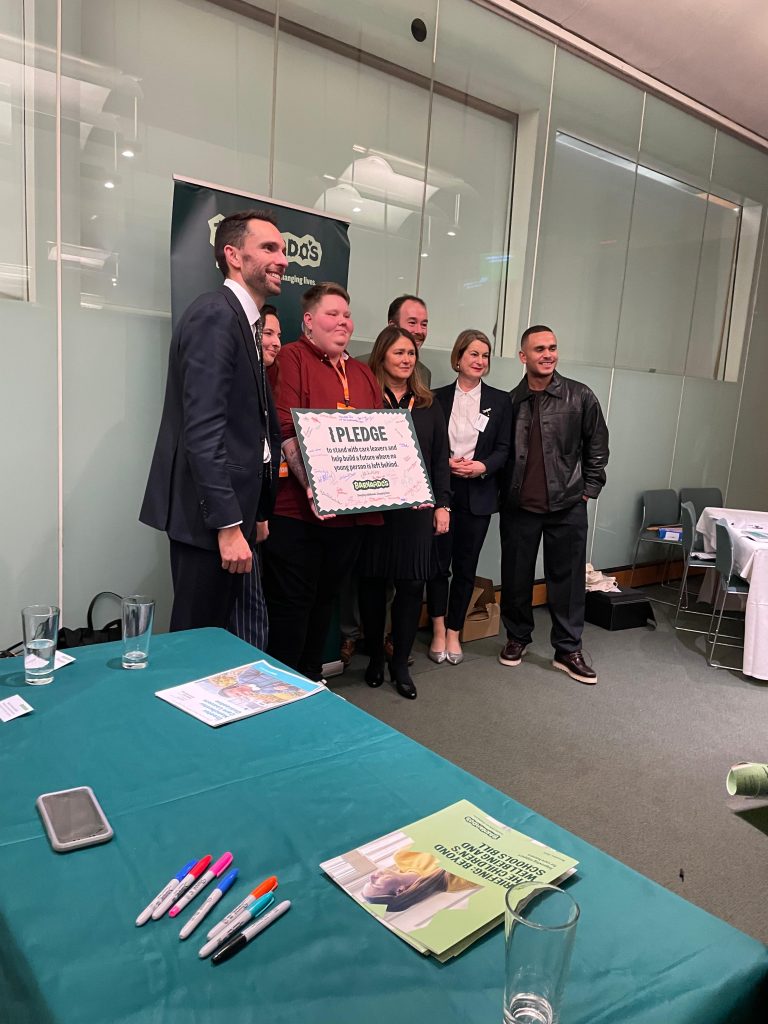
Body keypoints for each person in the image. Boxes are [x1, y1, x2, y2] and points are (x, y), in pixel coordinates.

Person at [139, 210, 285, 631]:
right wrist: (226, 525)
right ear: (233, 255)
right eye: (269, 248)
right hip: (210, 520)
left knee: (221, 640)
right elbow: (203, 432)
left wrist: (256, 512)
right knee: (196, 644)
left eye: (284, 250)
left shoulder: (243, 320)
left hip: (235, 513)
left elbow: (250, 426)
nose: (282, 260)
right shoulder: (215, 315)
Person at [262, 283, 383, 682]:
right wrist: (316, 486)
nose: (343, 322)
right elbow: (284, 429)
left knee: (324, 603)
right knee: (291, 606)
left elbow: (384, 438)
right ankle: (281, 691)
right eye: (333, 314)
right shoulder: (292, 359)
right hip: (296, 513)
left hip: (349, 520)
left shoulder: (363, 373)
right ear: (309, 322)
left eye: (347, 315)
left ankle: (311, 683)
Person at [498, 325, 609, 684]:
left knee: (568, 581)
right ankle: (517, 638)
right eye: (539, 349)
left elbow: (597, 448)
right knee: (516, 578)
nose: (548, 354)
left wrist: (588, 490)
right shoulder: (510, 402)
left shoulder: (580, 396)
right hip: (519, 507)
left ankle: (567, 649)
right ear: (523, 356)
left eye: (553, 348)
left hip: (567, 505)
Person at [358, 326, 451, 700]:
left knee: (412, 586)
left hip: (416, 511)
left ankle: (400, 664)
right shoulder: (366, 399)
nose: (405, 360)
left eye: (410, 354)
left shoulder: (428, 405)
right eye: (398, 353)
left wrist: (443, 504)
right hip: (375, 510)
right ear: (382, 356)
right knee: (372, 585)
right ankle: (376, 658)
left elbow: (439, 460)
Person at [427, 330, 512, 665]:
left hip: (478, 492)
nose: (480, 361)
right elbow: (429, 445)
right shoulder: (435, 398)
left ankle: (453, 631)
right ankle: (436, 628)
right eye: (473, 354)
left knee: (465, 568)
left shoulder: (500, 401)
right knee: (437, 567)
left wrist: (481, 466)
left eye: (485, 355)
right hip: (443, 491)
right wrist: (444, 463)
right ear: (458, 358)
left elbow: (505, 449)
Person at [229, 304, 282, 648]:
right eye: (268, 333)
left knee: (251, 611)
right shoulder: (237, 381)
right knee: (244, 613)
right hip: (229, 518)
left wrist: (261, 514)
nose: (277, 342)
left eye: (279, 335)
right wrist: (232, 524)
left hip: (252, 514)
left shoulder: (264, 380)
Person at [388, 294, 432, 387]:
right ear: (392, 326)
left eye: (424, 324)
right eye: (412, 323)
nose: (419, 331)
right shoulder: (365, 367)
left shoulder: (424, 374)